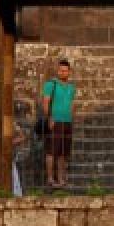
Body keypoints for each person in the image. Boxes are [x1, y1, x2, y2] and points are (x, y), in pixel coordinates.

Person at [42, 59, 77, 189]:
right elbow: (46, 102)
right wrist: (49, 118)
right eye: (61, 70)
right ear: (58, 71)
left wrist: (72, 118)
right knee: (51, 151)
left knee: (63, 153)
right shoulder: (51, 85)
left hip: (67, 122)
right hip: (55, 121)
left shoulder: (71, 87)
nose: (63, 73)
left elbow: (72, 104)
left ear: (69, 72)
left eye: (65, 71)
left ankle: (61, 179)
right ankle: (50, 179)